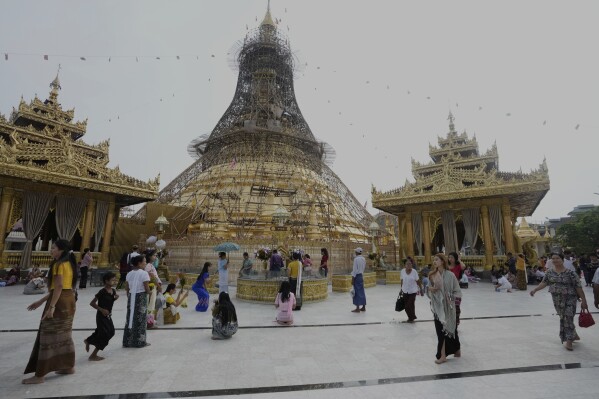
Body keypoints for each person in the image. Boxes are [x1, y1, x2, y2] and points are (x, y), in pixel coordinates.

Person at [23, 239, 78, 384]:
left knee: (48, 335)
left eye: (53, 248)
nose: (51, 250)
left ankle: (40, 375)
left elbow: (58, 287)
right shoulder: (70, 264)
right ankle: (68, 366)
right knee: (64, 334)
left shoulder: (58, 265)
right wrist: (41, 301)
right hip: (69, 300)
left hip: (59, 302)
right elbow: (64, 288)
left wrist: (51, 307)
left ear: (61, 250)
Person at [530, 253, 588, 350]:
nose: (555, 260)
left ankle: (569, 341)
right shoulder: (549, 272)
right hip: (557, 299)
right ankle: (573, 334)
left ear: (562, 260)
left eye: (557, 258)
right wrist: (535, 290)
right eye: (553, 259)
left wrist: (584, 301)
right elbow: (544, 283)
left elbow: (578, 287)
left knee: (567, 317)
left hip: (570, 298)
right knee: (564, 317)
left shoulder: (571, 273)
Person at [427, 253, 462, 364]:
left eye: (437, 259)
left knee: (451, 330)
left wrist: (450, 299)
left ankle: (457, 349)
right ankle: (442, 356)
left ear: (442, 261)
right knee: (440, 332)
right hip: (437, 308)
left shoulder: (450, 276)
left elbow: (458, 291)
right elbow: (428, 291)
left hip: (449, 307)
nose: (434, 261)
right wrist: (431, 291)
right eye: (434, 260)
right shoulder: (432, 275)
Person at [84, 272, 118, 361]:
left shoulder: (113, 291)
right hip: (101, 316)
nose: (114, 282)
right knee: (105, 334)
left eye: (115, 280)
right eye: (112, 280)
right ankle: (93, 355)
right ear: (106, 281)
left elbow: (109, 301)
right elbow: (92, 303)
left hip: (108, 316)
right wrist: (102, 310)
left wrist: (115, 298)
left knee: (111, 332)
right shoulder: (102, 291)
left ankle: (89, 340)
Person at [123, 255, 151, 348]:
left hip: (131, 296)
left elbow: (127, 288)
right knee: (140, 319)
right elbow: (146, 288)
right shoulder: (144, 273)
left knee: (130, 318)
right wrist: (150, 292)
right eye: (144, 261)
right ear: (139, 263)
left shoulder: (129, 273)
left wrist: (129, 296)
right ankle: (140, 342)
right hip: (141, 297)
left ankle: (127, 341)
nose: (145, 263)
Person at [400, 257, 419, 322]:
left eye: (410, 264)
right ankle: (410, 317)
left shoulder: (414, 271)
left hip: (413, 291)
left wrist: (421, 289)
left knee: (408, 305)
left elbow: (417, 280)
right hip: (405, 291)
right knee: (410, 305)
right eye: (407, 264)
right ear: (405, 265)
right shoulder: (402, 271)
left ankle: (412, 316)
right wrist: (401, 289)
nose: (409, 265)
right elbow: (402, 280)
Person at [447, 252, 464, 325]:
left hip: (456, 289)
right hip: (447, 289)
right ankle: (450, 320)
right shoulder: (446, 267)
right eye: (449, 257)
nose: (450, 259)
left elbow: (463, 267)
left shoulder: (458, 266)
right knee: (448, 306)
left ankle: (456, 320)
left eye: (452, 257)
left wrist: (459, 260)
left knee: (456, 306)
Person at [144, 250, 161, 320]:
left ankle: (150, 320)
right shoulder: (148, 265)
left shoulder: (151, 265)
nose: (155, 257)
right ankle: (149, 321)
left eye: (156, 256)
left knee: (152, 304)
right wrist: (158, 286)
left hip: (154, 286)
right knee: (151, 304)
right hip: (152, 286)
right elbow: (151, 277)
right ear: (149, 256)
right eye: (154, 255)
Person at [351, 247, 366, 313]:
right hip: (361, 276)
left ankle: (357, 308)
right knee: (362, 291)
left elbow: (354, 270)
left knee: (356, 292)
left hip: (356, 276)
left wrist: (352, 279)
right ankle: (363, 307)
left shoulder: (356, 259)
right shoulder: (363, 259)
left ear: (357, 252)